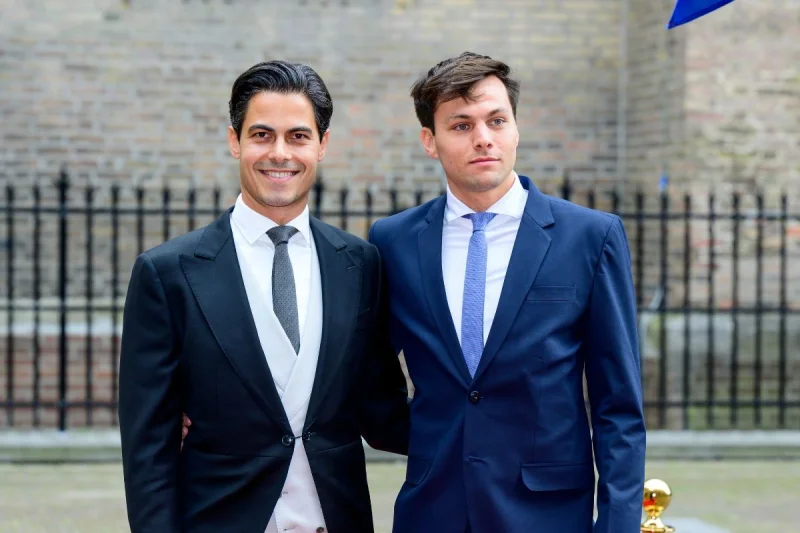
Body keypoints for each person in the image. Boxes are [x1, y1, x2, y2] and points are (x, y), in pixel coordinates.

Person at [118, 60, 409, 533]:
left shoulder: (361, 264)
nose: (279, 153)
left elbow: (381, 411)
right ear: (235, 141)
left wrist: (493, 422)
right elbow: (147, 447)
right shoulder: (167, 273)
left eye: (297, 136)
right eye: (261, 135)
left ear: (322, 145)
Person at [367, 52, 646, 532]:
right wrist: (435, 436)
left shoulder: (589, 237)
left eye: (497, 120)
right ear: (429, 141)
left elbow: (618, 404)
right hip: (433, 509)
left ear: (515, 128)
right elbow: (369, 373)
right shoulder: (393, 241)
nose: (484, 138)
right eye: (461, 125)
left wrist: (618, 524)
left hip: (547, 513)